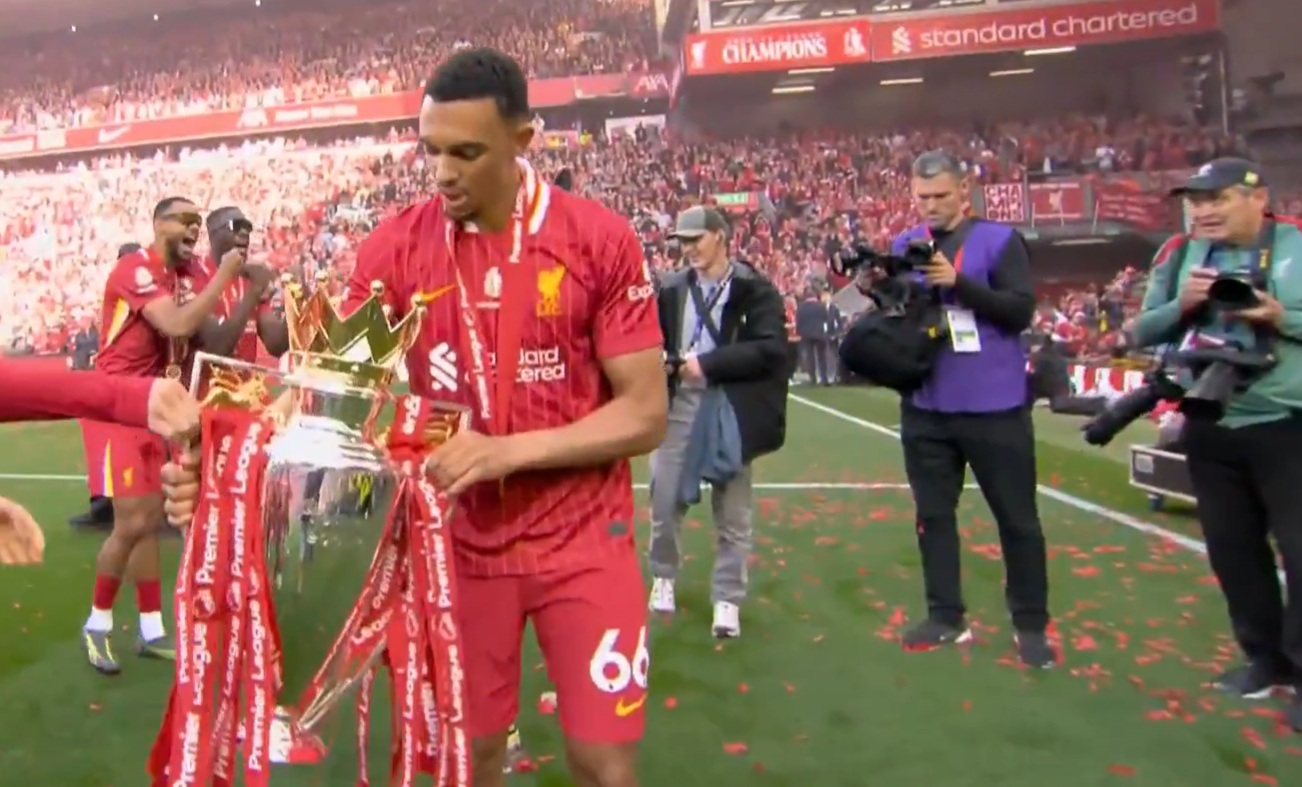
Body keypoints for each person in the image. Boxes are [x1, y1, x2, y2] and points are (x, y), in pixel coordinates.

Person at [167, 48, 667, 784]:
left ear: (523, 141)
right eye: (431, 150)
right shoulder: (396, 249)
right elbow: (326, 395)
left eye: (467, 152)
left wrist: (505, 452)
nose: (443, 172)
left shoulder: (598, 239)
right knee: (471, 756)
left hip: (584, 537)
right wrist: (221, 474)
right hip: (458, 545)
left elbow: (645, 413)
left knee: (603, 762)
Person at [1130, 158, 1302, 730]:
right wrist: (1183, 306)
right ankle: (1264, 659)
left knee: (1300, 552)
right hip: (1209, 419)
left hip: (1286, 420)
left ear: (1259, 198)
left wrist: (1283, 315)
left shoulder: (1295, 247)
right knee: (1234, 551)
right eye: (1196, 200)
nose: (1203, 211)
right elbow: (1141, 329)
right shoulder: (1179, 255)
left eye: (1217, 199)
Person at [893, 151, 1054, 668]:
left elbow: (1018, 310)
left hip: (993, 403)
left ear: (964, 191)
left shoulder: (1000, 241)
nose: (932, 205)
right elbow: (901, 313)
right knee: (933, 515)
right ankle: (945, 615)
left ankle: (1030, 623)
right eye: (923, 197)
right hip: (926, 401)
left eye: (941, 195)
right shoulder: (905, 244)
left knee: (1017, 519)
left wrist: (956, 282)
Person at [79, 196, 245, 675]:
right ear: (157, 224)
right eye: (184, 220)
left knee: (150, 519)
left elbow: (212, 339)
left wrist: (237, 286)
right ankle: (97, 624)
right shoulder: (135, 269)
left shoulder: (187, 275)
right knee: (131, 522)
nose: (194, 229)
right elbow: (175, 323)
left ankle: (151, 630)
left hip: (154, 405)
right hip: (115, 403)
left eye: (199, 222)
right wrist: (221, 279)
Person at [646, 205, 788, 638]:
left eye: (696, 240)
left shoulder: (754, 288)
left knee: (733, 507)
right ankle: (664, 575)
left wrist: (708, 363)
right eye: (683, 242)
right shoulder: (671, 287)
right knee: (665, 497)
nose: (688, 250)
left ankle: (727, 598)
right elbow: (653, 336)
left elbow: (772, 349)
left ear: (720, 237)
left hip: (729, 403)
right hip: (679, 403)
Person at [0, 369, 201, 567]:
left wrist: (136, 397)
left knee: (144, 526)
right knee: (132, 526)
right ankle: (101, 601)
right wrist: (133, 397)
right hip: (127, 424)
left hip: (141, 419)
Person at [69, 242, 144, 532]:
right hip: (128, 377)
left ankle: (107, 505)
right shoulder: (139, 286)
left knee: (108, 432)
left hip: (130, 379)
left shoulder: (137, 288)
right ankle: (107, 502)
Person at [196, 207, 287, 362]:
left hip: (244, 384)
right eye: (235, 226)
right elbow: (217, 348)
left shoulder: (249, 279)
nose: (245, 233)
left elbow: (276, 345)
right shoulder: (196, 273)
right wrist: (255, 290)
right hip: (206, 383)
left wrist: (296, 298)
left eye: (248, 228)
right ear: (213, 235)